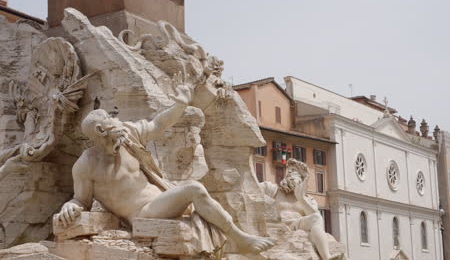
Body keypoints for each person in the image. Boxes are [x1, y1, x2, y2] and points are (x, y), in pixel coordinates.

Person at [55, 84, 275, 254]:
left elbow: (158, 125)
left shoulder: (127, 135)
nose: (118, 121)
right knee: (193, 188)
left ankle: (238, 238)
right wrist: (69, 206)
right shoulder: (86, 164)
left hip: (162, 194)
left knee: (193, 189)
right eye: (112, 120)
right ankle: (240, 239)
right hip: (141, 214)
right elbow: (80, 200)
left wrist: (180, 105)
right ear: (101, 130)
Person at [260, 158, 333, 260]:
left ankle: (326, 257)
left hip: (296, 226)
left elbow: (317, 220)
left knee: (316, 217)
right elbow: (252, 189)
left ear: (302, 178)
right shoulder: (273, 189)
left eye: (293, 170)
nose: (289, 172)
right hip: (276, 227)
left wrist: (301, 198)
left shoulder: (309, 200)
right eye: (288, 170)